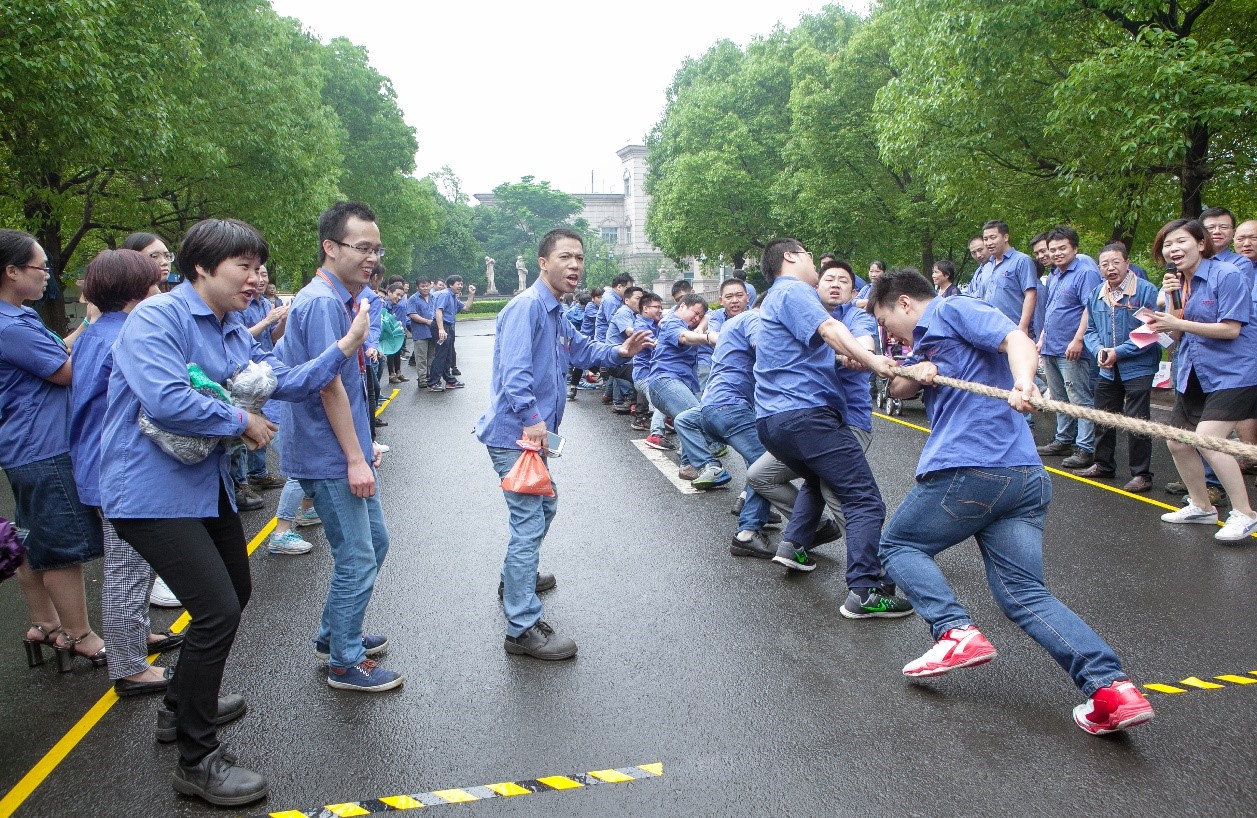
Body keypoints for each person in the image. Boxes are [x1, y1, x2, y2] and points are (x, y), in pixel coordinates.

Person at [103, 217, 369, 805]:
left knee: (235, 593)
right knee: (217, 609)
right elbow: (166, 398)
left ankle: (179, 706)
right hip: (149, 494)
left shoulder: (231, 328)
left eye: (257, 267)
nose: (255, 279)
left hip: (203, 487)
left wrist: (344, 349)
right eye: (243, 267)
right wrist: (240, 420)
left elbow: (282, 381)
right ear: (201, 267)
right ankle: (196, 761)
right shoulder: (157, 318)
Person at [869, 268, 1154, 736]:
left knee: (899, 546)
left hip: (973, 470)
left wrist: (1024, 382)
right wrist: (917, 371)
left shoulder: (951, 308)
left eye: (885, 320)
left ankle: (953, 630)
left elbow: (1016, 340)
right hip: (1022, 480)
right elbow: (897, 386)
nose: (887, 333)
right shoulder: (926, 342)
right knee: (1023, 594)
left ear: (902, 303)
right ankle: (1111, 689)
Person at [475, 227, 652, 660]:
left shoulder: (556, 312)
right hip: (517, 435)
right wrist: (534, 421)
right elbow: (515, 375)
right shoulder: (528, 307)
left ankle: (516, 577)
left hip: (531, 436)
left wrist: (621, 353)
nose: (575, 265)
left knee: (543, 506)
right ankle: (521, 628)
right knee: (529, 521)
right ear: (543, 262)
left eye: (579, 257)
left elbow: (583, 351)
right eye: (565, 257)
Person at [752, 238, 912, 619]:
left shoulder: (777, 298)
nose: (816, 265)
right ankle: (867, 590)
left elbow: (821, 345)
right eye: (809, 255)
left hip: (773, 423)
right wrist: (873, 360)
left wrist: (851, 356)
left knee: (817, 483)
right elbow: (828, 329)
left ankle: (796, 545)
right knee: (863, 500)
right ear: (790, 257)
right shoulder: (794, 290)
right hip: (806, 418)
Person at [279, 201, 402, 691]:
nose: (372, 257)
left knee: (374, 544)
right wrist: (356, 457)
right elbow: (327, 385)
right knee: (356, 555)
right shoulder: (323, 302)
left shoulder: (346, 298)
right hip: (326, 452)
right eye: (362, 247)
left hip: (341, 446)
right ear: (330, 247)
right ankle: (344, 663)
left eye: (376, 248)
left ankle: (336, 635)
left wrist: (363, 443)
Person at [70, 249, 183, 696]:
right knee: (126, 570)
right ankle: (129, 666)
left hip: (96, 465)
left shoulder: (97, 331)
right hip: (113, 472)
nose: (159, 290)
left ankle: (132, 640)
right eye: (153, 284)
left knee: (132, 567)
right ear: (136, 290)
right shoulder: (126, 336)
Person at [1, 229, 106, 673]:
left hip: (24, 447)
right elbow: (66, 372)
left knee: (32, 538)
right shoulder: (9, 325)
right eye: (40, 267)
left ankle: (44, 624)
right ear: (10, 271)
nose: (48, 275)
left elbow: (53, 353)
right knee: (63, 547)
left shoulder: (16, 318)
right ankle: (81, 635)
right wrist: (101, 326)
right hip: (43, 446)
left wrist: (85, 324)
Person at [1148, 218, 1257, 540]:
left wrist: (1178, 324)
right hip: (1194, 370)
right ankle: (1202, 507)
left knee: (1209, 439)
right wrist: (1166, 318)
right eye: (1167, 245)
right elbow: (1178, 335)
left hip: (1234, 371)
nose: (1173, 249)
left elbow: (1231, 329)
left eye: (1180, 241)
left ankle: (1246, 513)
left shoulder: (1228, 275)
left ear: (1201, 243)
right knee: (1177, 441)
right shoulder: (1179, 283)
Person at [1078, 243, 1160, 492]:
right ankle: (1103, 464)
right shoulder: (1096, 293)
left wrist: (1118, 352)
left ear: (1127, 263)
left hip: (1139, 366)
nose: (1110, 268)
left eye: (1115, 262)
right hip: (1106, 366)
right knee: (1103, 416)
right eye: (1105, 264)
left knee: (1137, 421)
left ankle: (1142, 474)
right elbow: (1090, 329)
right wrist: (1099, 351)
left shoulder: (1145, 291)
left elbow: (1150, 331)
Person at [1035, 227, 1102, 471]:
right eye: (1053, 249)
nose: (1057, 253)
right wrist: (1042, 338)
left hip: (1072, 348)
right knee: (1059, 397)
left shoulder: (1085, 272)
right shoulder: (1054, 275)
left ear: (1074, 248)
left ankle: (1085, 447)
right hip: (1051, 346)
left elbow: (1090, 308)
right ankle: (1063, 439)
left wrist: (1078, 339)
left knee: (1080, 398)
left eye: (1062, 248)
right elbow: (1052, 308)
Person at [647, 293, 718, 480]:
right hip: (664, 381)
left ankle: (688, 465)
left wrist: (702, 324)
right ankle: (707, 464)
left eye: (699, 316)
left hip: (681, 383)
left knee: (700, 418)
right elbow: (685, 338)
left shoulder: (688, 325)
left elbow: (696, 329)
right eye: (695, 313)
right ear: (682, 306)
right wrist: (708, 336)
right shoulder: (672, 322)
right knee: (695, 414)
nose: (696, 318)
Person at [405, 276, 437, 389]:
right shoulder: (413, 299)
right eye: (422, 286)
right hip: (420, 332)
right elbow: (412, 314)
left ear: (431, 285)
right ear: (418, 287)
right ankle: (422, 379)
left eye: (427, 285)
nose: (425, 288)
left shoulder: (434, 297)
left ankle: (430, 376)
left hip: (433, 332)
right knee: (421, 357)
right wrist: (427, 321)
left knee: (432, 356)